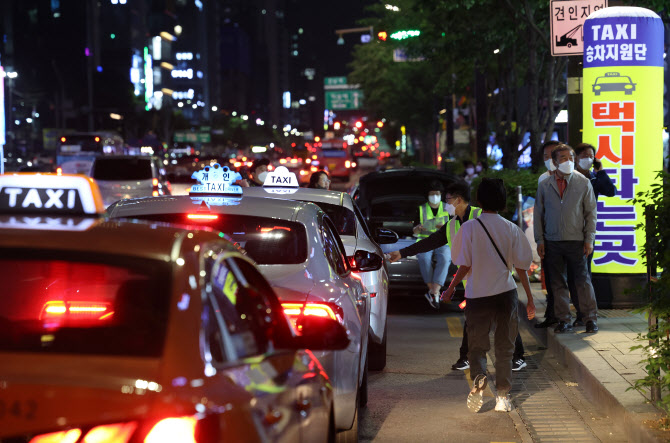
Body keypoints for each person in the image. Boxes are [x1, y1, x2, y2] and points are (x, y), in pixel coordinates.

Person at [441, 178, 535, 413]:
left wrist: (450, 289)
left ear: (479, 201)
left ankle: (480, 380)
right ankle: (503, 396)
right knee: (505, 347)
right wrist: (531, 300)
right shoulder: (511, 228)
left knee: (477, 346)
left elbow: (463, 265)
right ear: (503, 201)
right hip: (506, 294)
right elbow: (522, 266)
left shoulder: (469, 228)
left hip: (478, 295)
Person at [534, 143, 598, 334]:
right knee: (557, 283)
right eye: (563, 158)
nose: (569, 161)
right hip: (552, 241)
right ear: (554, 162)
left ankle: (590, 319)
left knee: (582, 281)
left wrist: (589, 239)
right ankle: (563, 320)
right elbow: (539, 213)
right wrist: (540, 240)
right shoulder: (545, 184)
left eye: (571, 158)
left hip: (577, 240)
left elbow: (590, 214)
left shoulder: (583, 182)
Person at [387, 182, 480, 309]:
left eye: (448, 201)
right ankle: (433, 291)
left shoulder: (480, 216)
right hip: (473, 288)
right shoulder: (451, 225)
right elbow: (430, 242)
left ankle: (434, 291)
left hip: (493, 285)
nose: (446, 205)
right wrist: (402, 253)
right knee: (474, 326)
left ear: (458, 200)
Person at [566, 142, 616, 326]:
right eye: (585, 155)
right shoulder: (570, 177)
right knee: (573, 274)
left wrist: (601, 171)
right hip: (569, 231)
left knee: (584, 273)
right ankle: (580, 312)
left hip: (587, 232)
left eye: (591, 156)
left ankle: (586, 314)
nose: (589, 158)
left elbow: (611, 192)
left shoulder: (595, 178)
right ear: (576, 158)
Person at [410, 180, 451, 308]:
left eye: (437, 193)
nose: (434, 196)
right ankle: (433, 290)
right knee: (423, 257)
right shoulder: (421, 208)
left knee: (445, 258)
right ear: (428, 195)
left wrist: (446, 227)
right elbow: (414, 231)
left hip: (442, 242)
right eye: (432, 194)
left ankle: (434, 291)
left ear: (441, 194)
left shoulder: (449, 208)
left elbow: (458, 226)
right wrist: (419, 228)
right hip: (425, 241)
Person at [535, 140, 561, 329]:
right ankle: (552, 314)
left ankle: (575, 317)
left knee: (573, 280)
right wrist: (540, 238)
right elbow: (539, 211)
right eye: (546, 156)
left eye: (552, 155)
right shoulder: (543, 179)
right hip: (549, 237)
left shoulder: (576, 179)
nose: (549, 159)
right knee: (551, 279)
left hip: (571, 238)